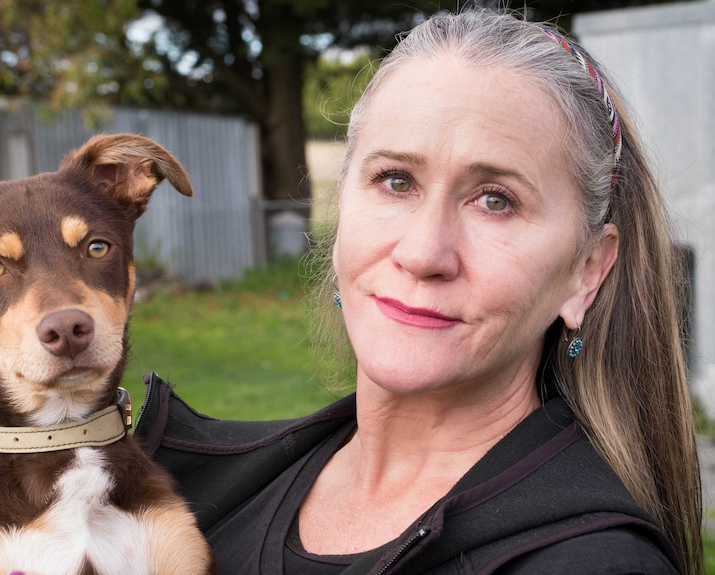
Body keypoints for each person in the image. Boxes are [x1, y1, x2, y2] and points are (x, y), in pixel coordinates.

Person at [135, 9, 703, 574]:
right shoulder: (174, 510)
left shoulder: (590, 564)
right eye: (396, 181)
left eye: (495, 200)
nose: (424, 253)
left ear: (587, 270)